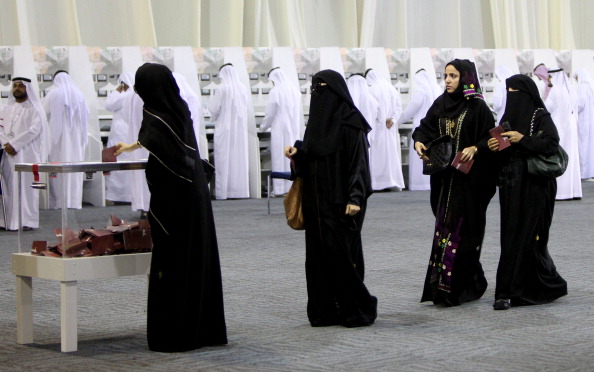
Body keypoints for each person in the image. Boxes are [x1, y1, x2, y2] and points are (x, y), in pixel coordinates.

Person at [115, 63, 227, 352]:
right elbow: (173, 148)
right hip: (195, 199)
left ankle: (174, 334)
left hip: (173, 205)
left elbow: (162, 147)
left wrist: (138, 146)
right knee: (196, 259)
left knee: (173, 263)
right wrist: (134, 146)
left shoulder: (154, 116)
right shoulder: (179, 110)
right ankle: (201, 329)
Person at [284, 69, 377, 328]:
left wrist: (355, 198)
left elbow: (358, 165)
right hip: (315, 203)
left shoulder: (351, 123)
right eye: (314, 88)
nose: (317, 93)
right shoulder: (316, 123)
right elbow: (312, 159)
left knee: (341, 256)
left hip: (341, 203)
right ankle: (323, 311)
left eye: (322, 87)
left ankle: (356, 308)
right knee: (317, 258)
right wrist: (297, 155)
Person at [412, 59, 496, 306]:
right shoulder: (441, 103)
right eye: (446, 75)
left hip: (469, 183)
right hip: (444, 181)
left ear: (466, 78)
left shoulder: (478, 108)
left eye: (453, 76)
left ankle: (458, 288)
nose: (447, 80)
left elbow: (491, 141)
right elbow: (424, 128)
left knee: (463, 233)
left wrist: (475, 147)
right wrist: (419, 141)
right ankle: (444, 287)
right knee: (444, 232)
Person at [487, 74, 567, 310]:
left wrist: (523, 139)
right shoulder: (507, 118)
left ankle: (529, 288)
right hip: (511, 187)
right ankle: (505, 291)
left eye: (516, 92)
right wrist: (494, 146)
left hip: (535, 188)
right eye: (508, 91)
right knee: (510, 236)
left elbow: (551, 144)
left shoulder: (539, 116)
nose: (512, 97)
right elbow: (503, 150)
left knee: (530, 236)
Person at [0, 77, 49, 231]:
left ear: (28, 88)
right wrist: (5, 144)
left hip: (27, 153)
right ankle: (7, 221)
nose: (17, 89)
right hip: (7, 154)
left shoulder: (35, 109)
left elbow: (34, 130)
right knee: (8, 186)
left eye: (21, 86)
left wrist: (15, 144)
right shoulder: (7, 108)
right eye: (15, 86)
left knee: (26, 187)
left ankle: (27, 221)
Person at [534, 64, 582, 200]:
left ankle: (562, 192)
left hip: (559, 126)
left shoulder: (556, 91)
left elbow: (546, 108)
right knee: (571, 157)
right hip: (571, 126)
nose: (548, 79)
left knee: (560, 156)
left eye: (549, 77)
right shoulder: (571, 89)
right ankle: (573, 191)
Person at [43, 70, 89, 209]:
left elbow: (44, 113)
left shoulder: (53, 94)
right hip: (76, 140)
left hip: (57, 140)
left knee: (57, 168)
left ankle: (58, 202)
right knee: (74, 169)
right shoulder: (79, 94)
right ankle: (74, 202)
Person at [209, 63, 250, 200]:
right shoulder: (243, 89)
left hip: (224, 130)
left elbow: (214, 109)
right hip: (240, 132)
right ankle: (240, 191)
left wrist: (212, 117)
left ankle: (223, 193)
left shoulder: (221, 88)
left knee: (223, 160)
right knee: (238, 160)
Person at [260, 67, 302, 196]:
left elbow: (270, 113)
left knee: (280, 157)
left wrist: (262, 127)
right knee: (293, 158)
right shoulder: (294, 90)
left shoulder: (275, 91)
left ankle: (280, 189)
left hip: (280, 128)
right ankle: (292, 188)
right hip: (294, 128)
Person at [397, 69, 442, 191]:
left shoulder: (421, 92)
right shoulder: (437, 89)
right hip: (436, 129)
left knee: (419, 157)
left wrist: (396, 122)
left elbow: (409, 112)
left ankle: (419, 184)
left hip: (421, 129)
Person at [365, 68, 405, 191]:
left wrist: (380, 118)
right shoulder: (391, 88)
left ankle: (377, 184)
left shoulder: (371, 89)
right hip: (390, 127)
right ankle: (390, 182)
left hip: (377, 127)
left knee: (377, 156)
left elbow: (371, 108)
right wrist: (392, 119)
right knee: (390, 155)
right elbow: (399, 107)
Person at [104, 72, 134, 203]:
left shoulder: (124, 96)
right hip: (130, 135)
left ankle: (118, 196)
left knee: (119, 167)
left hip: (121, 135)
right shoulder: (135, 96)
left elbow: (108, 104)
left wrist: (118, 89)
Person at [574, 68, 594, 180]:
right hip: (589, 120)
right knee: (589, 147)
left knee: (583, 147)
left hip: (583, 121)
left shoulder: (582, 88)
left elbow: (580, 104)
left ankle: (583, 173)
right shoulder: (590, 87)